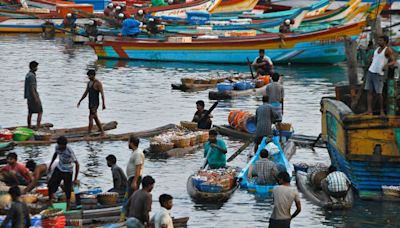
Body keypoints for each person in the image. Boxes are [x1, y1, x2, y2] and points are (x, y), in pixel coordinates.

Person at [363, 35, 396, 116]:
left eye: (380, 40)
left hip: (379, 74)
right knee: (369, 92)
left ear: (385, 41)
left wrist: (386, 65)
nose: (378, 42)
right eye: (378, 40)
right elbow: (374, 60)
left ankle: (381, 111)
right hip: (371, 72)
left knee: (379, 93)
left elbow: (393, 61)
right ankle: (369, 110)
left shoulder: (387, 50)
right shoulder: (376, 49)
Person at [48, 136, 80, 211]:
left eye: (62, 146)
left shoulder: (69, 151)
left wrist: (75, 179)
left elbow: (77, 164)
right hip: (59, 168)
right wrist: (50, 165)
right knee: (51, 184)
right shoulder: (57, 147)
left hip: (68, 170)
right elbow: (55, 154)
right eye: (59, 146)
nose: (60, 147)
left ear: (65, 145)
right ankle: (50, 201)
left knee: (67, 189)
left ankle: (68, 206)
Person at [77, 69, 106, 136]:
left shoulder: (98, 83)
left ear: (93, 75)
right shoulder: (89, 83)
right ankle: (102, 132)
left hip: (95, 104)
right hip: (90, 103)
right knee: (95, 117)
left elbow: (102, 94)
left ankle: (89, 133)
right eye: (88, 76)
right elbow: (86, 93)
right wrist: (80, 101)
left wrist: (103, 104)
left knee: (90, 117)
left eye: (89, 76)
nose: (89, 77)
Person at [24, 61, 42, 130]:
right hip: (33, 96)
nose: (37, 68)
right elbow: (32, 88)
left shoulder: (28, 74)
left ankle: (29, 126)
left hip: (29, 97)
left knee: (30, 111)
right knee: (40, 111)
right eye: (36, 67)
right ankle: (38, 127)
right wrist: (36, 98)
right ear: (34, 67)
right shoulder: (31, 76)